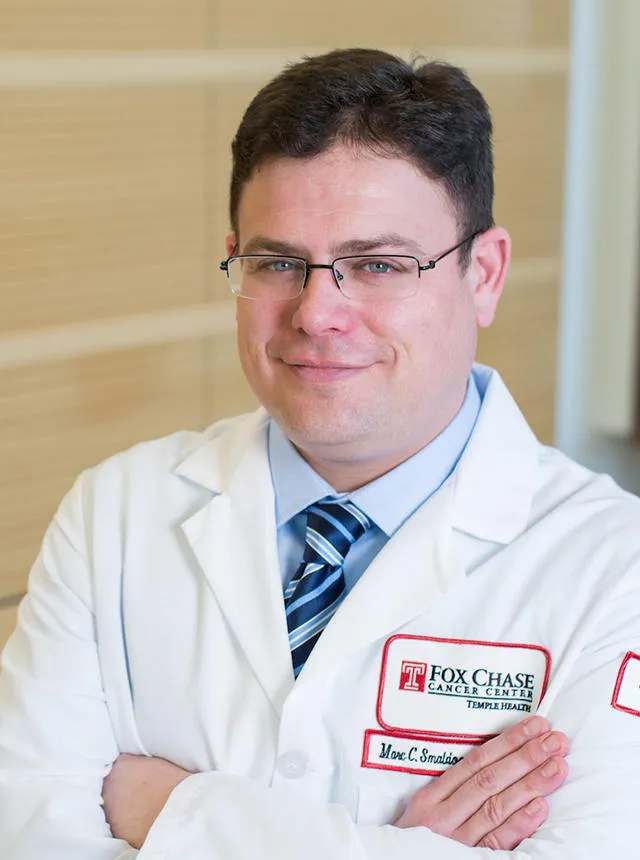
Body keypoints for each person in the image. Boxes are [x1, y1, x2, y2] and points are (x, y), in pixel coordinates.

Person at [1, 47, 639, 860]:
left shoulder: (617, 569)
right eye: (278, 263)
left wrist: (169, 811)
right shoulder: (115, 515)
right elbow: (25, 832)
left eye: (377, 265)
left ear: (484, 274)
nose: (316, 313)